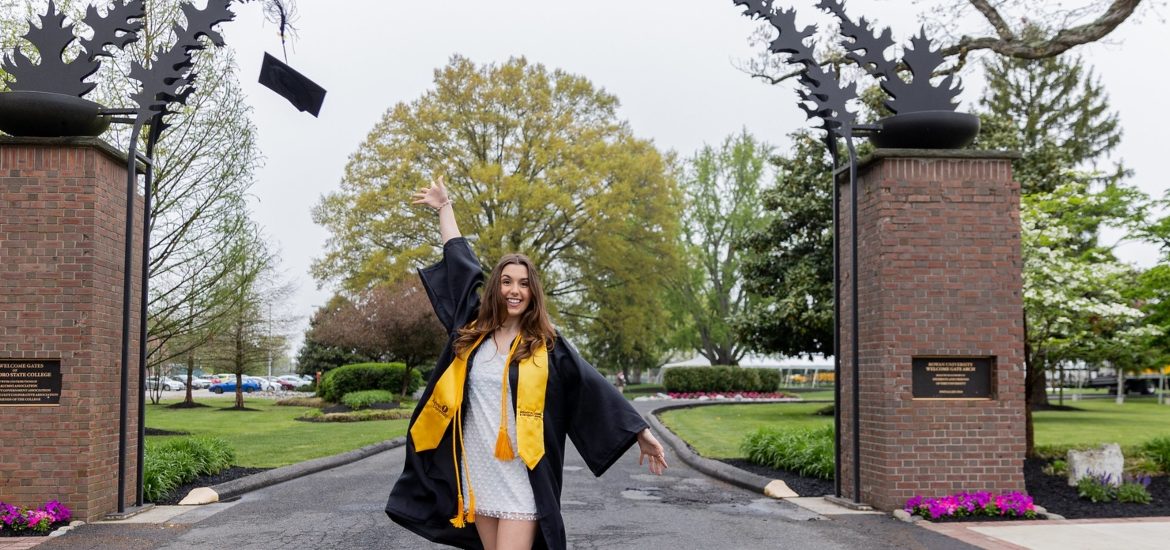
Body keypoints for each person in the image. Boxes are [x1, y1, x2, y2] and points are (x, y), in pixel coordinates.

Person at [386, 177, 669, 550]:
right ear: (496, 289)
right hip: (478, 466)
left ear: (532, 292)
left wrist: (640, 432)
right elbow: (460, 262)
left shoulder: (547, 345)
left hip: (522, 472)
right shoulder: (471, 329)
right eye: (506, 281)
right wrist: (444, 208)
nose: (514, 290)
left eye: (522, 283)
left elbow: (591, 387)